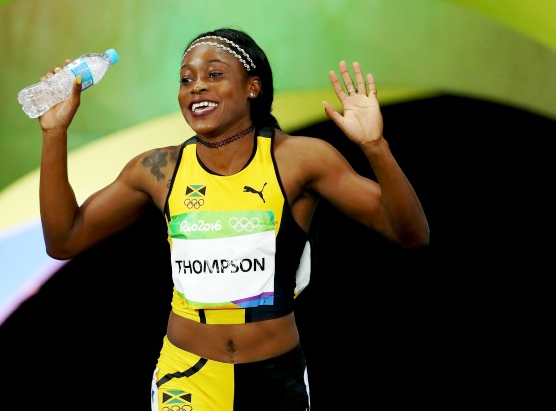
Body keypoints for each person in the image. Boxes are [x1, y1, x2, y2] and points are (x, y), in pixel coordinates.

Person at [36, 27, 429, 411]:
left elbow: (410, 233)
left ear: (252, 87)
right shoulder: (159, 169)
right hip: (187, 377)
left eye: (214, 74)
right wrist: (55, 132)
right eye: (186, 79)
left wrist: (375, 147)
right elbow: (64, 240)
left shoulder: (300, 159)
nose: (196, 87)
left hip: (277, 380)